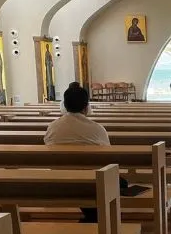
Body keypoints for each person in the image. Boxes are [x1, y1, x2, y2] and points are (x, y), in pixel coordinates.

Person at [44, 85, 123, 223]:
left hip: (58, 180)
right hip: (90, 183)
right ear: (86, 107)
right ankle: (99, 220)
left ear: (65, 105)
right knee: (118, 181)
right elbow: (107, 158)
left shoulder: (53, 127)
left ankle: (90, 219)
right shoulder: (97, 129)